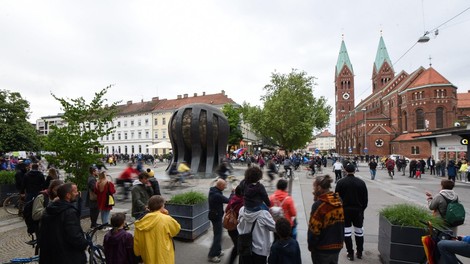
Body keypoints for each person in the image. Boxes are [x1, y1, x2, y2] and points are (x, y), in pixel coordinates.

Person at [38, 183, 88, 264]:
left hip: (51, 256)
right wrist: (84, 244)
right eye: (75, 192)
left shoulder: (49, 210)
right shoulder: (69, 212)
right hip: (67, 256)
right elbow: (74, 236)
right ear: (68, 195)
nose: (77, 193)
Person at [335, 163, 368, 261]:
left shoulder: (340, 182)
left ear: (345, 170)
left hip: (345, 210)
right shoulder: (361, 183)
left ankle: (350, 253)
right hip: (358, 210)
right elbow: (365, 199)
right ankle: (360, 252)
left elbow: (336, 198)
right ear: (354, 171)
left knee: (347, 233)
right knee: (359, 232)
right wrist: (362, 209)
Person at [134, 195, 181, 264]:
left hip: (148, 256)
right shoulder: (166, 219)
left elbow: (136, 243)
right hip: (163, 256)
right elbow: (176, 230)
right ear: (161, 206)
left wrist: (138, 255)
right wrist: (166, 215)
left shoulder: (141, 222)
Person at [308, 175, 344, 264]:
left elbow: (314, 230)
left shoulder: (319, 205)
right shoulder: (338, 200)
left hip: (322, 248)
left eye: (314, 187)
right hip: (337, 245)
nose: (314, 189)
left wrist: (311, 245)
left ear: (319, 187)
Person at [208, 179, 230, 263]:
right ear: (220, 186)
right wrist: (233, 193)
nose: (225, 187)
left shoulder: (214, 190)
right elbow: (228, 200)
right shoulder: (216, 194)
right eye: (224, 186)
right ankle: (212, 255)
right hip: (216, 216)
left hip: (216, 215)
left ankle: (218, 251)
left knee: (218, 234)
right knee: (218, 236)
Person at [225, 185, 244, 264]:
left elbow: (226, 210)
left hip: (230, 228)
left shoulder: (233, 199)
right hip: (237, 228)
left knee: (238, 247)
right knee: (239, 248)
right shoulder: (242, 202)